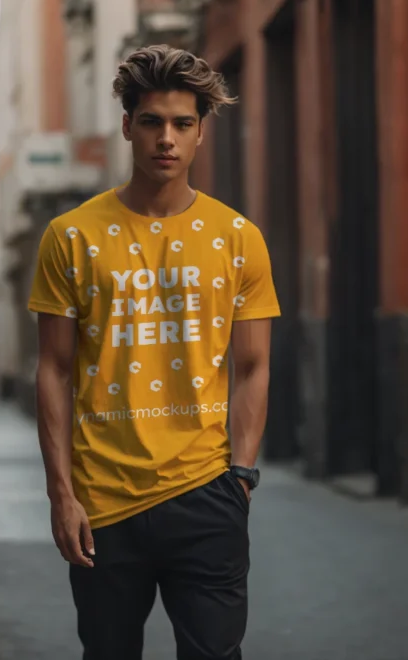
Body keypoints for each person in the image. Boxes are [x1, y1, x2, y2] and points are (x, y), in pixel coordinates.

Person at [27, 44, 281, 660]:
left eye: (182, 124)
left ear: (200, 132)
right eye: (151, 122)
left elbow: (252, 368)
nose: (166, 138)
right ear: (127, 126)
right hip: (102, 501)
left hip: (207, 492)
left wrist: (240, 479)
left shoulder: (238, 239)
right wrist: (62, 495)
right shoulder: (71, 237)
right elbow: (55, 370)